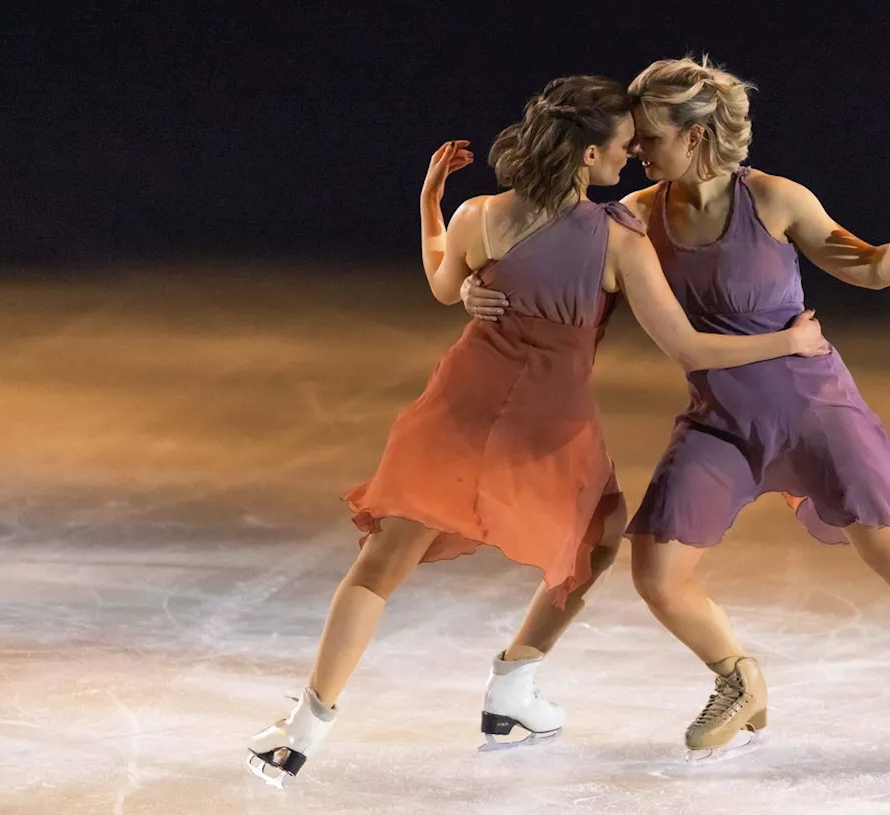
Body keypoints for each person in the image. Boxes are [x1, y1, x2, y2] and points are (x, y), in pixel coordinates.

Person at [244, 74, 828, 788]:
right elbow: (688, 347)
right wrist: (787, 346)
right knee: (600, 537)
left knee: (383, 561)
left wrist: (432, 205)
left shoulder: (480, 215)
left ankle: (304, 727)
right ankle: (513, 686)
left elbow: (438, 282)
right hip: (549, 423)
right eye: (621, 145)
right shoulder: (619, 239)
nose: (633, 154)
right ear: (586, 155)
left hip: (459, 406)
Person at [461, 57, 890, 764]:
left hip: (815, 408)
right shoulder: (638, 218)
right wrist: (473, 287)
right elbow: (549, 255)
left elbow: (867, 265)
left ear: (698, 134)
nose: (638, 150)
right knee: (656, 570)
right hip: (720, 422)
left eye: (650, 136)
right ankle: (738, 677)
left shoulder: (774, 200)